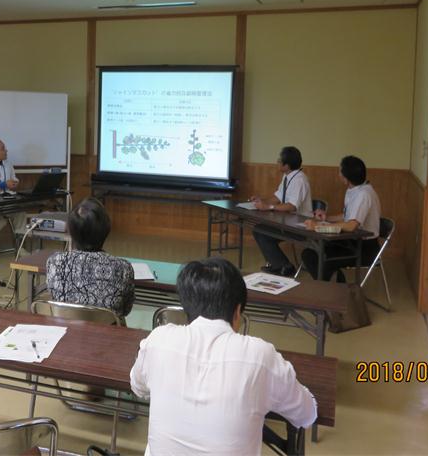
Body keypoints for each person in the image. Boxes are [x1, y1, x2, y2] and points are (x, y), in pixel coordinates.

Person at [130, 257, 317, 456]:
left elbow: (137, 386)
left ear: (186, 307)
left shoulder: (159, 340)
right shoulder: (260, 356)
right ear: (237, 311)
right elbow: (307, 415)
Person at [45, 198, 134, 318]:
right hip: (106, 329)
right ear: (106, 229)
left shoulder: (55, 262)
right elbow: (126, 310)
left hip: (66, 328)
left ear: (71, 231)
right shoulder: (123, 268)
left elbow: (54, 297)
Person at [301, 155, 381, 282]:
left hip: (364, 248)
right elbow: (347, 216)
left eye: (340, 172)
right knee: (310, 253)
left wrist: (318, 226)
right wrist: (327, 218)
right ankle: (337, 285)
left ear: (346, 178)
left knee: (319, 257)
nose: (339, 174)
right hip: (350, 241)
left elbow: (351, 225)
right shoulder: (353, 189)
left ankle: (335, 288)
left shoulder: (364, 194)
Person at [250, 146, 313, 276]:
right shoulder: (287, 176)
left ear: (287, 165)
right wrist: (262, 201)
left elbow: (292, 206)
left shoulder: (299, 180)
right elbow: (278, 197)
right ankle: (280, 265)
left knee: (262, 232)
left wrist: (269, 207)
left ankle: (284, 266)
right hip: (287, 221)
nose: (277, 162)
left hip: (300, 226)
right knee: (259, 229)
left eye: (279, 161)